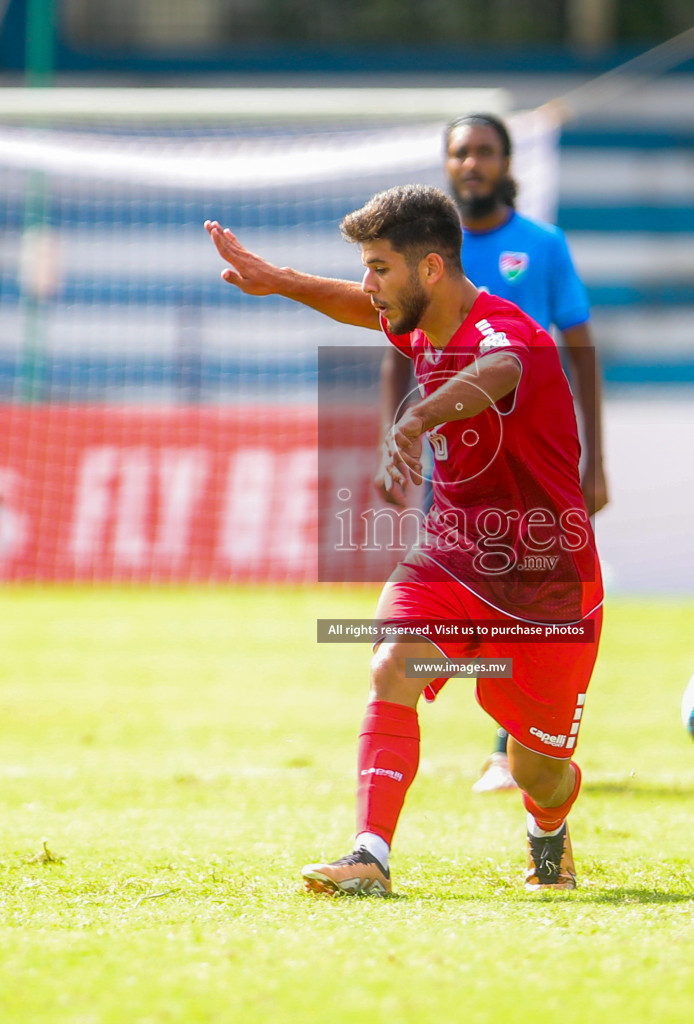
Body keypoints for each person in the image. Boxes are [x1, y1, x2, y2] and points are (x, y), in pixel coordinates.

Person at [207, 185, 604, 895]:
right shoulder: (416, 320)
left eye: (380, 267)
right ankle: (371, 855)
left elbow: (501, 371)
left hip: (548, 574)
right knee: (393, 663)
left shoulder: (505, 331)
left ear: (429, 270)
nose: (370, 285)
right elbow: (364, 309)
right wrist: (280, 281)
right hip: (452, 550)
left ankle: (548, 827)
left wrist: (420, 414)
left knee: (536, 770)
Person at [381, 113, 608, 794]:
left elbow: (579, 346)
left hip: (529, 460)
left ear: (507, 164)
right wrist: (400, 429)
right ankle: (493, 736)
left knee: (532, 583)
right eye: (460, 153)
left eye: (485, 152)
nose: (472, 163)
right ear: (446, 165)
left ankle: (516, 746)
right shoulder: (432, 259)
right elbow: (398, 341)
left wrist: (595, 458)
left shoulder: (542, 246)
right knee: (443, 596)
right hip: (453, 452)